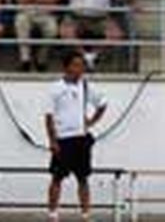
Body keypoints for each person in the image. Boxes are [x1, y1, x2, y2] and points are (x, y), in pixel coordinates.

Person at [45, 49, 106, 222]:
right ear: (66, 67)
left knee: (83, 178)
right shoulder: (56, 88)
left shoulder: (86, 86)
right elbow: (49, 116)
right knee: (57, 178)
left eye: (82, 66)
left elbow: (102, 104)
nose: (80, 69)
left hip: (81, 138)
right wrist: (52, 140)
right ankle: (53, 213)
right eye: (76, 65)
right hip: (63, 139)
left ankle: (86, 214)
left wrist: (91, 122)